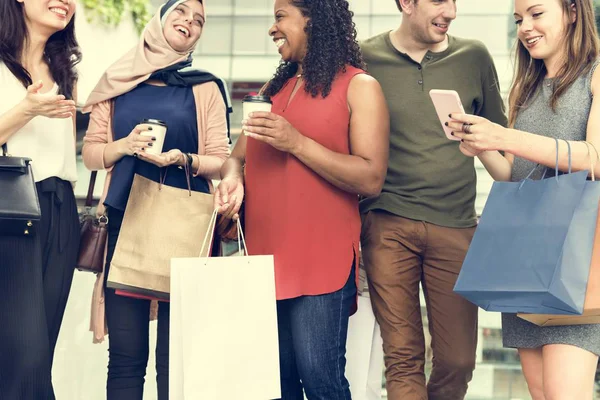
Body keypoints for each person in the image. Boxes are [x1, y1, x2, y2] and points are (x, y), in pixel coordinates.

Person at [215, 0, 389, 397]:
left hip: (320, 259)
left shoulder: (360, 87)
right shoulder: (271, 91)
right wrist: (232, 181)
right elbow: (235, 159)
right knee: (276, 383)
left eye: (280, 17)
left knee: (320, 381)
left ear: (312, 18)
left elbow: (371, 176)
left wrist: (296, 143)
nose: (272, 29)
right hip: (264, 258)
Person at [448, 0, 600, 398]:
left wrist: (504, 136)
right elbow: (512, 174)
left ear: (571, 11)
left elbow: (596, 158)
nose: (525, 28)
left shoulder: (596, 75)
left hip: (576, 264)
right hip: (525, 265)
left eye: (536, 14)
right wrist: (481, 146)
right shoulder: (525, 88)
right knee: (541, 393)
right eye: (518, 20)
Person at [358, 0, 508, 399]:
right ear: (407, 3)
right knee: (402, 356)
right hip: (387, 222)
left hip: (456, 224)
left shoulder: (473, 56)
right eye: (440, 1)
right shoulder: (364, 58)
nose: (452, 11)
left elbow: (503, 142)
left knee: (457, 361)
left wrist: (476, 135)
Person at [82, 0, 230, 398]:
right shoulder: (117, 80)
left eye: (199, 20)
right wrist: (125, 145)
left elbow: (222, 158)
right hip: (127, 224)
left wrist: (184, 159)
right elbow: (92, 153)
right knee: (126, 358)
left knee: (176, 359)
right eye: (181, 11)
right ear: (160, 18)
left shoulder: (206, 87)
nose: (190, 22)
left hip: (187, 228)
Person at [0, 0, 80, 398]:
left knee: (40, 351)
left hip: (61, 208)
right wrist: (27, 110)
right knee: (23, 354)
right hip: (11, 212)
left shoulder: (65, 72)